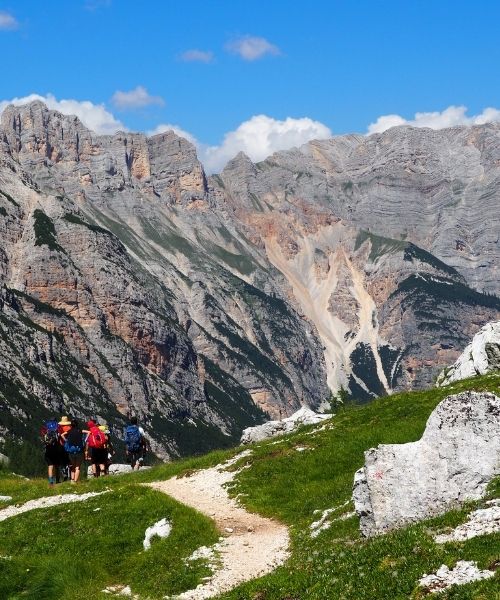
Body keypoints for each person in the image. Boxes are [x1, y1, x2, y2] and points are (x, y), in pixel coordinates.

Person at [61, 419, 85, 483]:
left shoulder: (69, 431)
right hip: (79, 451)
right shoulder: (80, 430)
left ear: (71, 425)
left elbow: (62, 435)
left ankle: (72, 480)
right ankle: (75, 481)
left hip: (71, 452)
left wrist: (66, 441)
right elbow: (89, 432)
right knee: (77, 467)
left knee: (72, 466)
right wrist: (85, 440)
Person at [41, 418, 60, 486]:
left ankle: (51, 481)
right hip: (55, 451)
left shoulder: (46, 428)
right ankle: (56, 480)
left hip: (47, 452)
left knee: (50, 466)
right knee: (56, 465)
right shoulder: (57, 427)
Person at [58, 416, 72, 482]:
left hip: (61, 445)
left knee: (62, 460)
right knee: (69, 460)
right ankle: (70, 474)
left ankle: (64, 471)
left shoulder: (60, 428)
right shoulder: (70, 427)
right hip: (69, 445)